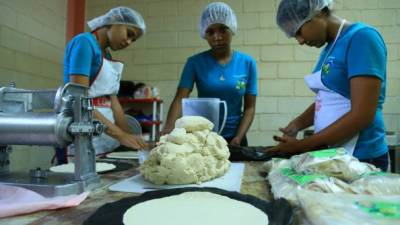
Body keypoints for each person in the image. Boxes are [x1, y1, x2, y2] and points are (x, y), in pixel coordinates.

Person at [271, 0, 389, 171]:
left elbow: (363, 114)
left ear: (318, 12)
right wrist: (296, 124)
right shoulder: (329, 48)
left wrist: (302, 145)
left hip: (361, 157)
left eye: (299, 31)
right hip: (337, 155)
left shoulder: (362, 38)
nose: (300, 41)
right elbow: (328, 99)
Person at [161, 2, 258, 146]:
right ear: (204, 35)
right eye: (210, 32)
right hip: (204, 138)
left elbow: (250, 107)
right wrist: (168, 128)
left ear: (231, 29)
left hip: (236, 138)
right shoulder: (194, 63)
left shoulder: (247, 63)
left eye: (222, 30)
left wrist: (238, 137)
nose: (217, 37)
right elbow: (180, 98)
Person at [63, 6, 148, 156]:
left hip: (106, 137)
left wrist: (131, 138)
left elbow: (112, 101)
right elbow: (80, 100)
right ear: (112, 22)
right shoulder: (85, 43)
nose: (128, 42)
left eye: (133, 40)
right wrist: (121, 135)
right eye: (129, 34)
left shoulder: (107, 56)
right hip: (83, 130)